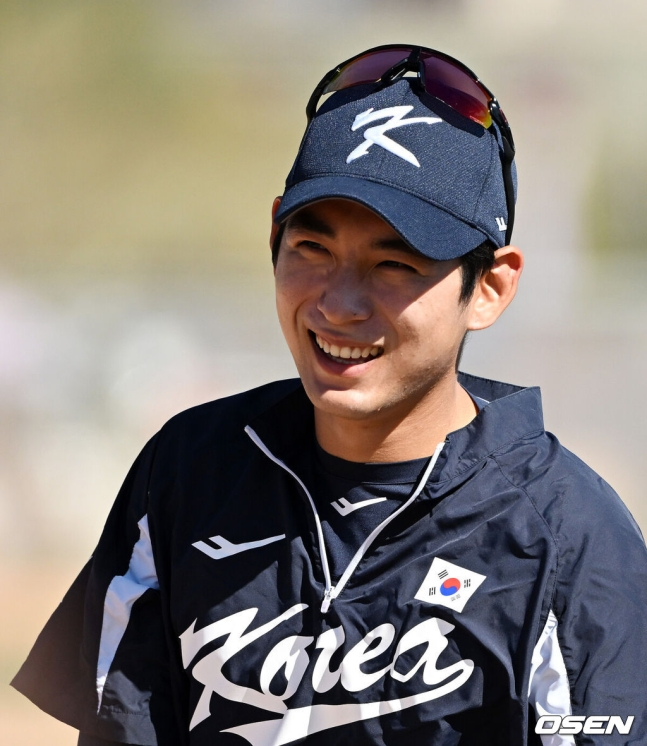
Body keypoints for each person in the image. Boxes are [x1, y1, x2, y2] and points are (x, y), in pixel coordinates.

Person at [12, 45, 647, 746]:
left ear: (490, 288)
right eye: (312, 250)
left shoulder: (565, 537)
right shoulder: (189, 472)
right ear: (274, 234)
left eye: (394, 264)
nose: (339, 304)